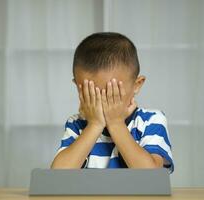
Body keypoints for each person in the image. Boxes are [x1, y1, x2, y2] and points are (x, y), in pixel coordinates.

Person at [51, 32, 174, 173]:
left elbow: (152, 175)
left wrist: (116, 124)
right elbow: (58, 175)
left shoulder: (151, 120)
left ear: (137, 85)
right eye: (91, 94)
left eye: (111, 94)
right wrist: (94, 125)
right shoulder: (77, 124)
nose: (102, 103)